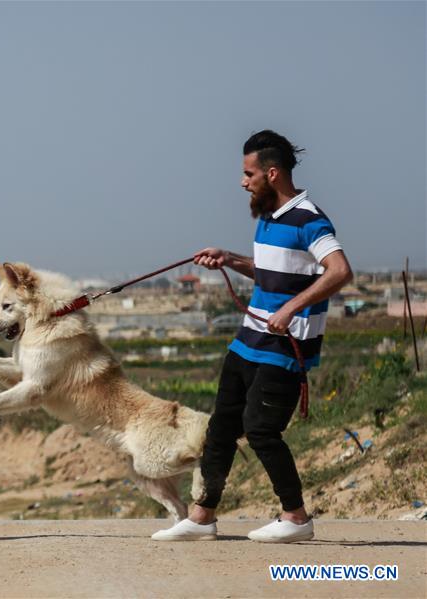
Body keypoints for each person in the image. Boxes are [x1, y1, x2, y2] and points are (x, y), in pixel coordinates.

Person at [153, 130, 352, 543]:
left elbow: (339, 271)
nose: (243, 181)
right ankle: (201, 517)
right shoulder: (268, 218)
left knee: (261, 431)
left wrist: (290, 309)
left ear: (272, 173)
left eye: (249, 174)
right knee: (221, 428)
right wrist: (230, 258)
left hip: (284, 347)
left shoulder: (309, 219)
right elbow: (271, 273)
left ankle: (296, 518)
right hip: (247, 341)